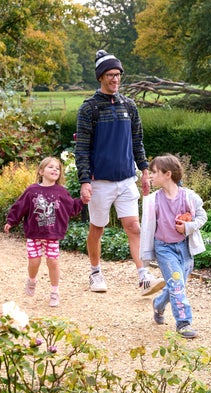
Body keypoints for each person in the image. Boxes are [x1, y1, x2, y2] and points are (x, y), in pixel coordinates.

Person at [75, 49, 164, 295]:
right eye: (110, 75)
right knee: (97, 229)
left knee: (134, 226)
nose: (115, 79)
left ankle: (144, 275)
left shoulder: (129, 106)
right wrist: (84, 181)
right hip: (100, 181)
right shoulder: (89, 109)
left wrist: (144, 170)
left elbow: (137, 141)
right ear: (101, 77)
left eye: (118, 75)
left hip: (126, 179)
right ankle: (95, 273)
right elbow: (81, 147)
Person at [139, 154, 207, 339]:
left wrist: (188, 227)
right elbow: (146, 230)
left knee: (176, 285)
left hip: (184, 248)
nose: (150, 176)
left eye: (154, 172)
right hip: (164, 249)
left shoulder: (189, 197)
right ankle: (183, 323)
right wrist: (144, 262)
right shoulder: (153, 200)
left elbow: (202, 217)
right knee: (177, 284)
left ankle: (158, 304)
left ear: (167, 174)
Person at [4, 157, 84, 307]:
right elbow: (20, 206)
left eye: (57, 168)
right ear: (41, 171)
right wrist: (11, 221)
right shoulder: (32, 191)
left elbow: (71, 208)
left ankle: (54, 292)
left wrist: (82, 201)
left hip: (52, 234)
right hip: (34, 233)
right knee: (34, 262)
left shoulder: (61, 192)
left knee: (53, 262)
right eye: (50, 167)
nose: (55, 170)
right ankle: (32, 280)